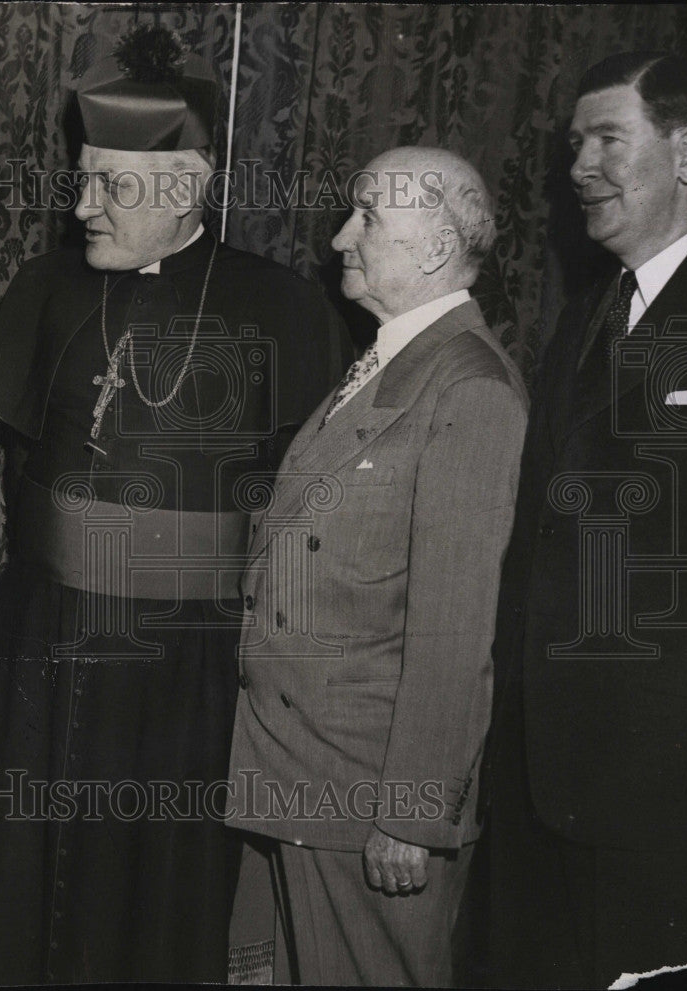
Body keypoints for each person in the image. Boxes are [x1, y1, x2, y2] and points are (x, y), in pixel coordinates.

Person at [0, 24, 349, 985]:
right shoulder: (44, 288)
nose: (81, 206)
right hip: (42, 636)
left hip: (185, 657)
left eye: (111, 186)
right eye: (82, 178)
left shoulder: (282, 306)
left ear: (188, 190)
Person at [227, 147, 529, 987]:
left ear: (434, 247)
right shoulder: (391, 364)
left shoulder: (468, 387)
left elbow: (455, 622)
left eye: (367, 217)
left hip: (366, 801)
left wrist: (414, 811)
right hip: (297, 771)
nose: (337, 239)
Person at [481, 51, 687, 989]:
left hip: (669, 784)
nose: (580, 166)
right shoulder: (584, 318)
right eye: (575, 143)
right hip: (551, 776)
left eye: (610, 138)